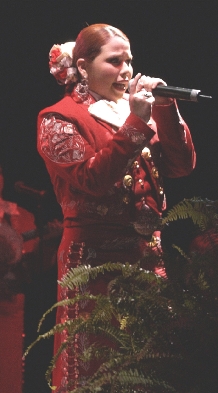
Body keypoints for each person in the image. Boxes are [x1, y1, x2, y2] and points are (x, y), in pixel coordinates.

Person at [37, 24, 196, 392]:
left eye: (129, 60)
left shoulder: (136, 110)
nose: (126, 70)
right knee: (98, 364)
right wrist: (137, 122)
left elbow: (181, 166)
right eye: (114, 61)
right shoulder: (57, 118)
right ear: (83, 66)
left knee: (151, 364)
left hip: (146, 255)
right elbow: (93, 179)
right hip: (92, 260)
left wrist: (166, 109)